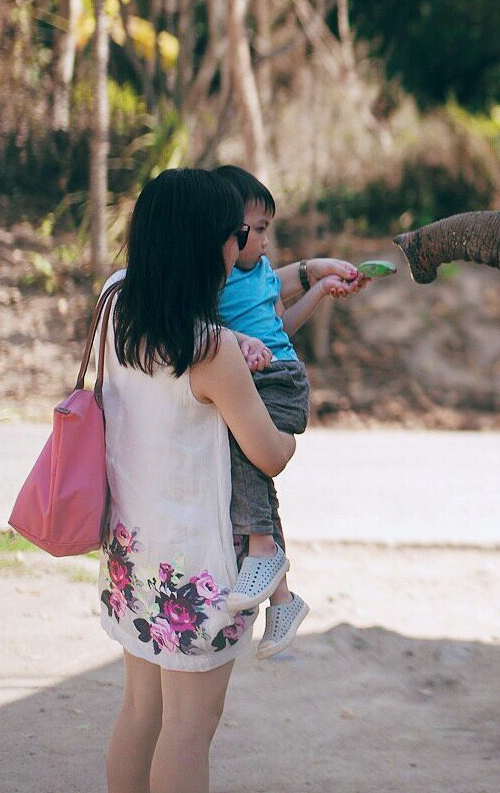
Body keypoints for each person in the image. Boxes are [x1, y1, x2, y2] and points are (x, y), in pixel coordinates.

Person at [99, 168, 296, 793]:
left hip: (133, 552)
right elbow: (269, 454)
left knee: (140, 712)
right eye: (234, 234)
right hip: (200, 566)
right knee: (190, 728)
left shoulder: (116, 301)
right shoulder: (210, 348)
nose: (239, 247)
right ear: (206, 244)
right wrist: (292, 430)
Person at [210, 164, 368, 658]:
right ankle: (282, 598)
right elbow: (284, 323)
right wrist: (319, 287)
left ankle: (261, 551)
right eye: (254, 231)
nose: (260, 242)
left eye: (263, 231)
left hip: (279, 378)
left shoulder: (255, 274)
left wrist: (316, 272)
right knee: (256, 470)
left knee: (242, 453)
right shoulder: (216, 282)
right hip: (274, 373)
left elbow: (278, 331)